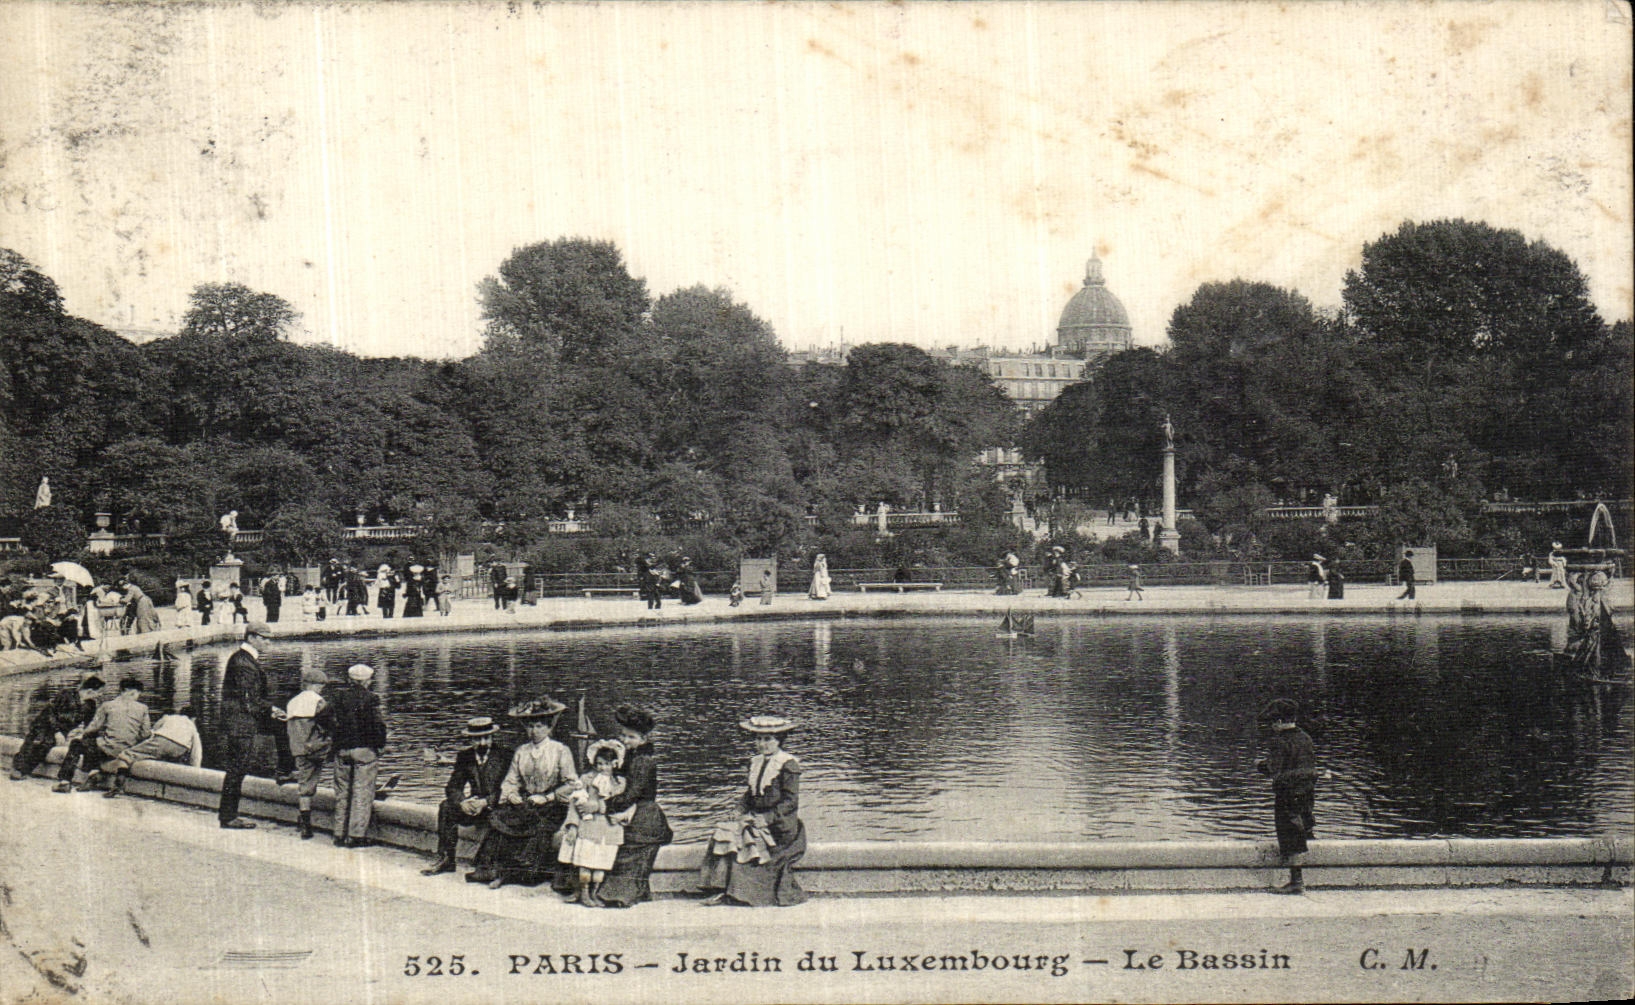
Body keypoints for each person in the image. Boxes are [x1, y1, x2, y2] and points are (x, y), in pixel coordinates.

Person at [698, 715, 808, 907]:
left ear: (779, 740)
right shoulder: (755, 762)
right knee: (724, 831)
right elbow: (751, 794)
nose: (762, 744)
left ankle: (737, 892)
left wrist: (767, 818)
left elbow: (791, 801)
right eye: (758, 738)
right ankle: (718, 887)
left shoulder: (788, 764)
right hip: (755, 817)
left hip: (780, 824)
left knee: (744, 838)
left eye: (768, 739)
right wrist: (739, 809)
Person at [469, 697, 578, 889]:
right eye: (530, 727)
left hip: (552, 803)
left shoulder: (560, 750)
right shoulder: (521, 751)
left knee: (539, 825)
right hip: (527, 800)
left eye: (538, 726)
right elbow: (511, 780)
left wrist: (547, 797)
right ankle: (492, 869)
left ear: (549, 728)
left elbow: (571, 783)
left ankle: (520, 872)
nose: (533, 731)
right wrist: (512, 795)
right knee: (501, 817)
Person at [597, 705, 673, 908]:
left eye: (631, 737)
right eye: (624, 736)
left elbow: (631, 795)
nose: (625, 740)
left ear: (643, 739)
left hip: (645, 815)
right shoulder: (631, 757)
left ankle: (623, 894)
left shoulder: (643, 761)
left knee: (627, 849)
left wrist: (603, 805)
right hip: (634, 811)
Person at [422, 716, 513, 876]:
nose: (482, 743)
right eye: (477, 739)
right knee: (446, 806)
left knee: (501, 816)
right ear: (471, 739)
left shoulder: (506, 756)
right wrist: (463, 802)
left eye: (486, 738)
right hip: (473, 806)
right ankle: (446, 858)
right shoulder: (465, 756)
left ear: (492, 737)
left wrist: (486, 802)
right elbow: (453, 786)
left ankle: (487, 865)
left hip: (497, 806)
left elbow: (510, 788)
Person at [217, 622, 286, 830]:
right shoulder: (244, 663)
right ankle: (229, 817)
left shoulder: (241, 659)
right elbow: (250, 699)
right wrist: (273, 710)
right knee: (237, 768)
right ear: (252, 637)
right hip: (241, 722)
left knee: (236, 768)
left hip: (238, 720)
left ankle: (228, 815)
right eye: (264, 638)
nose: (268, 642)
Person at [318, 663, 388, 848]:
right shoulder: (371, 698)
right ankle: (356, 836)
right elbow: (379, 725)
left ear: (349, 679)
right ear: (366, 681)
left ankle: (339, 833)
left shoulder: (337, 696)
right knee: (362, 793)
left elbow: (322, 716)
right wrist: (379, 745)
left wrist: (336, 732)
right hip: (364, 751)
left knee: (343, 793)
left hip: (342, 749)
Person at [1255, 698, 1317, 894]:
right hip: (1306, 792)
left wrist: (1260, 765)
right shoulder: (1306, 738)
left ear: (1280, 722)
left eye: (1273, 722)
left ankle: (1296, 882)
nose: (1272, 726)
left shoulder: (1279, 742)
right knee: (1302, 828)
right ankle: (1297, 879)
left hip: (1287, 793)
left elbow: (1274, 769)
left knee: (1290, 833)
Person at [557, 740, 628, 907]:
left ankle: (594, 893)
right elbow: (574, 803)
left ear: (615, 764)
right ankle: (582, 892)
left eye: (606, 764)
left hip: (609, 828)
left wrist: (601, 807)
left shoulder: (619, 783)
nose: (602, 768)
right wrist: (573, 825)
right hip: (589, 826)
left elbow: (620, 803)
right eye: (599, 764)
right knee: (584, 863)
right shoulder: (586, 779)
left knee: (600, 866)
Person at [55, 676, 150, 794]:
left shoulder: (107, 705)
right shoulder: (143, 708)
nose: (137, 697)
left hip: (108, 748)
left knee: (78, 743)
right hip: (128, 749)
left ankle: (66, 781)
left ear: (122, 690)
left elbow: (93, 727)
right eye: (137, 694)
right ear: (133, 692)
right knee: (94, 742)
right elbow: (146, 733)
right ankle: (94, 774)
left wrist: (80, 735)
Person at [10, 675, 103, 781]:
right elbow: (50, 713)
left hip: (62, 731)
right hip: (44, 724)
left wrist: (86, 736)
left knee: (48, 744)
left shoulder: (90, 705)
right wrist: (57, 732)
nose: (100, 695)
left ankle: (24, 770)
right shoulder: (66, 694)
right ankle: (18, 768)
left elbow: (90, 724)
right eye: (99, 692)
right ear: (90, 691)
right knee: (38, 742)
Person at [106, 704, 204, 797]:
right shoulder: (192, 727)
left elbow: (152, 732)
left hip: (161, 741)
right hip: (180, 748)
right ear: (193, 718)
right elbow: (196, 752)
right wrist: (196, 769)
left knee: (126, 755)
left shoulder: (169, 717)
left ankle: (118, 784)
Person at [285, 668, 332, 839]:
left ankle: (304, 820)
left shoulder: (292, 702)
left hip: (298, 749)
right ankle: (307, 824)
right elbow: (328, 724)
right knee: (319, 780)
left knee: (304, 784)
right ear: (314, 685)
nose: (322, 688)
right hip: (318, 748)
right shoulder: (318, 702)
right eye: (321, 685)